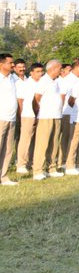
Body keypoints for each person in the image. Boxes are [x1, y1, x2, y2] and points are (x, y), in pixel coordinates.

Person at [31, 60, 66, 180]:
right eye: (60, 68)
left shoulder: (55, 82)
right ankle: (38, 170)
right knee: (42, 144)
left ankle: (51, 168)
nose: (61, 70)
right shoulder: (43, 81)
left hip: (56, 116)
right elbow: (36, 100)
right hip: (45, 117)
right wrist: (38, 114)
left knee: (54, 143)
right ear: (53, 68)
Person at [14, 62, 41, 175]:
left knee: (35, 140)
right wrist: (20, 116)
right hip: (28, 115)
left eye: (41, 71)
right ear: (31, 72)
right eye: (37, 72)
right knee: (25, 140)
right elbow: (20, 101)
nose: (40, 74)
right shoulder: (25, 84)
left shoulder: (41, 83)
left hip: (40, 115)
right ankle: (21, 164)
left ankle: (31, 161)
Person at [0, 54, 19, 184]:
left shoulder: (12, 78)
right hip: (1, 117)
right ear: (1, 64)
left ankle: (3, 176)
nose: (13, 65)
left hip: (11, 118)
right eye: (10, 63)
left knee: (7, 149)